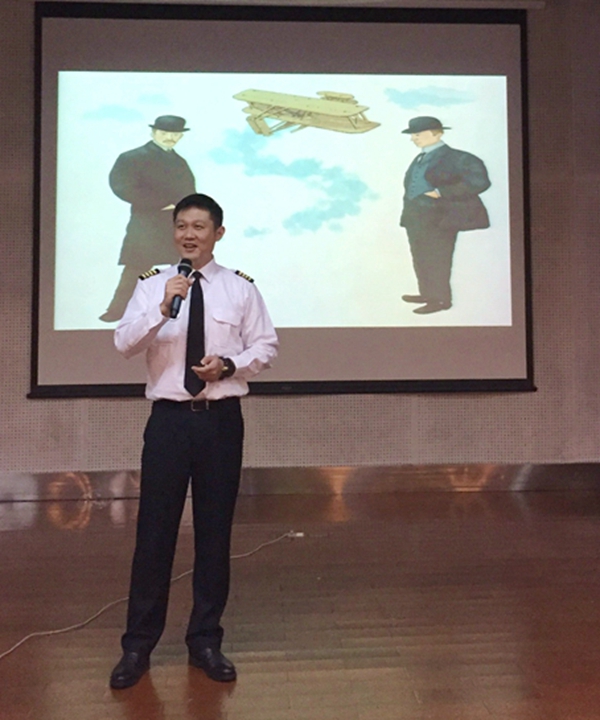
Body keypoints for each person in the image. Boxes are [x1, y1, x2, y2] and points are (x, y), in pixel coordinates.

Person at [109, 193, 279, 689]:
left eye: (199, 226)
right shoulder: (152, 286)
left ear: (217, 234)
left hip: (220, 421)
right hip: (168, 422)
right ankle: (137, 646)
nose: (189, 234)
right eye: (182, 225)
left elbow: (265, 346)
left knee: (214, 533)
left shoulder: (240, 288)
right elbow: (123, 343)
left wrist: (229, 366)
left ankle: (205, 640)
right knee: (154, 534)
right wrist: (162, 310)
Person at [100, 115, 196, 322]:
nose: (170, 138)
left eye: (175, 134)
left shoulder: (180, 162)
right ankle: (117, 311)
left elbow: (190, 191)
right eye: (164, 133)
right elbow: (122, 186)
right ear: (153, 133)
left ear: (180, 136)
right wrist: (162, 203)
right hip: (146, 223)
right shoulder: (132, 157)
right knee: (135, 268)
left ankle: (177, 312)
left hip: (175, 224)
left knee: (179, 270)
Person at [399, 116, 491, 314]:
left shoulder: (460, 158)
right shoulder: (420, 157)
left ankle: (440, 300)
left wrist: (441, 192)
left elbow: (480, 182)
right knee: (420, 257)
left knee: (438, 259)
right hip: (416, 217)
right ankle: (427, 294)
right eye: (413, 135)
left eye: (417, 134)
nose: (413, 138)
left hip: (442, 218)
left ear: (437, 134)